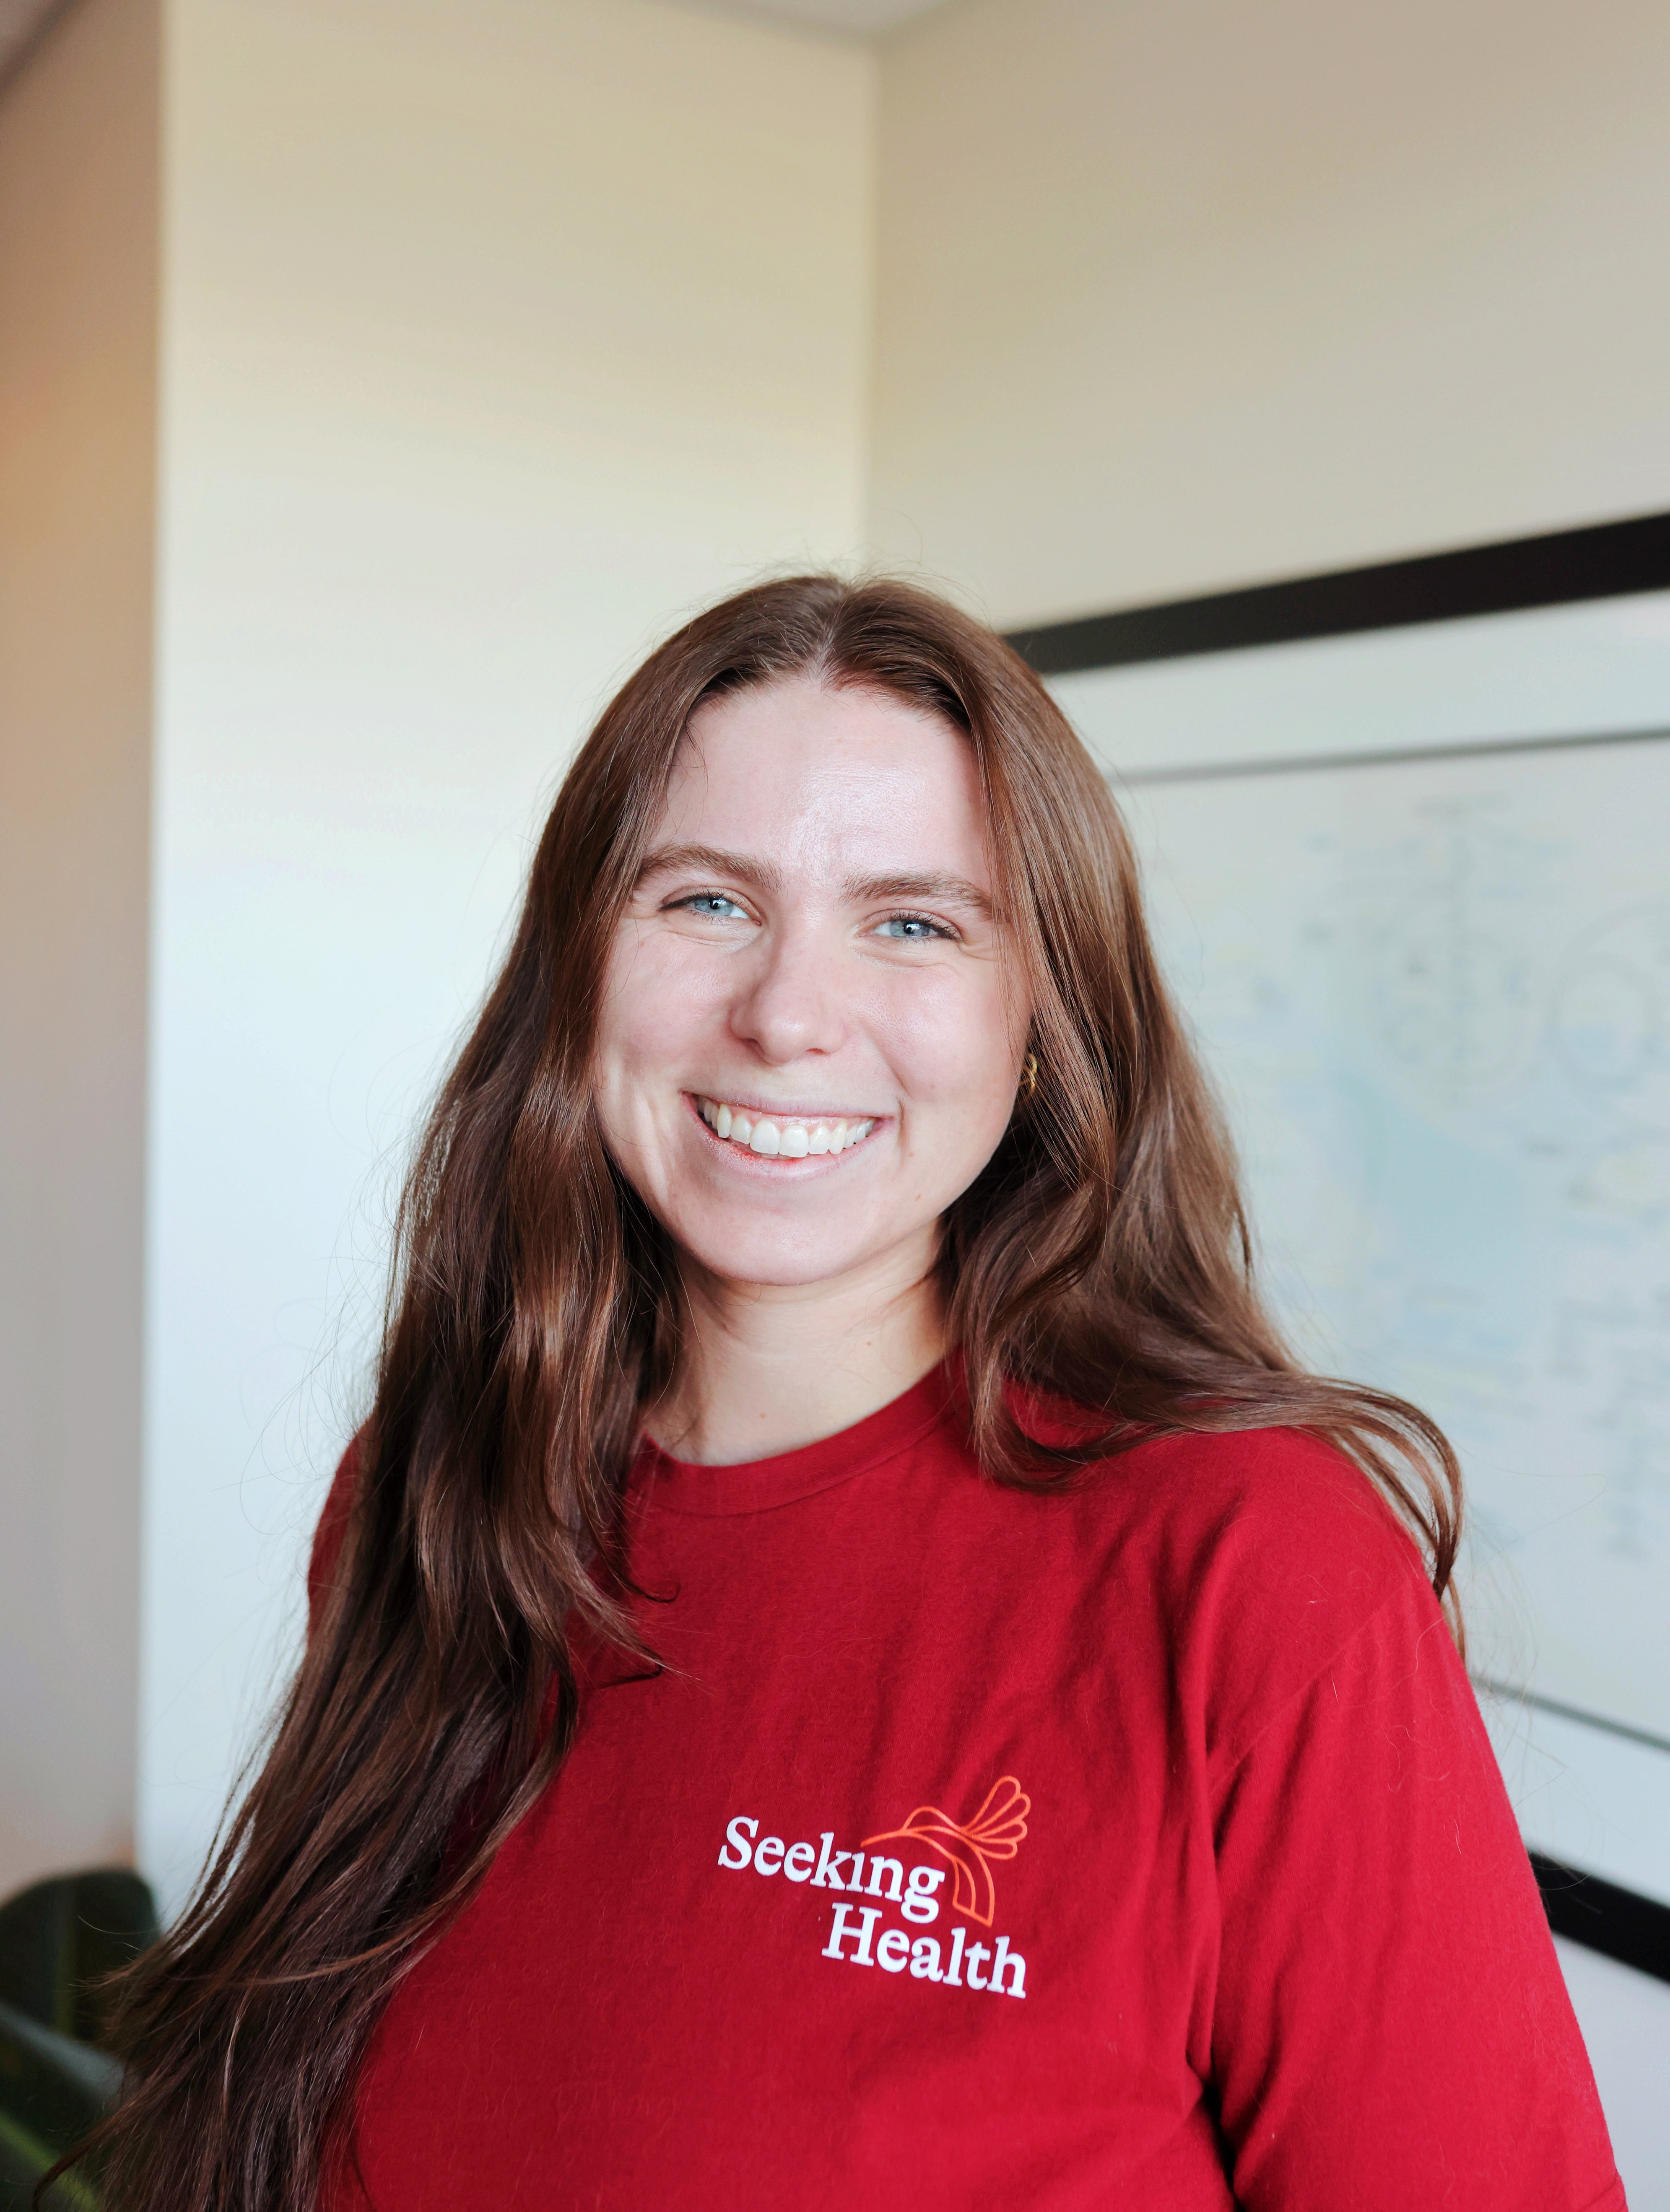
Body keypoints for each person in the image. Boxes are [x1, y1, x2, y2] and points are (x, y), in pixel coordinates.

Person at [85, 577, 1622, 2211]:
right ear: (578, 961)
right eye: (705, 900)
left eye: (913, 922)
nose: (786, 1016)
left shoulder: (1255, 1570)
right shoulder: (428, 1486)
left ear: (1043, 1016)